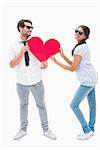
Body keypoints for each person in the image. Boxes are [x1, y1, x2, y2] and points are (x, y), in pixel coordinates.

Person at [9, 19, 57, 140]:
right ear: (20, 28)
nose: (30, 29)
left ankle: (46, 130)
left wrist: (45, 65)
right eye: (28, 27)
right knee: (23, 105)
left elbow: (43, 61)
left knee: (41, 105)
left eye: (31, 28)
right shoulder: (14, 45)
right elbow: (12, 65)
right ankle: (23, 129)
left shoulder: (36, 43)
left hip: (37, 81)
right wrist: (21, 53)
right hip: (21, 82)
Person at [51, 25, 98, 140]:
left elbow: (72, 68)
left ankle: (87, 130)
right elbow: (75, 64)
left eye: (80, 33)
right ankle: (91, 129)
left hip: (87, 80)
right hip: (92, 78)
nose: (77, 33)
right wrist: (63, 56)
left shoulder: (80, 48)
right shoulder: (82, 46)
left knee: (73, 105)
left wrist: (56, 62)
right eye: (76, 31)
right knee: (92, 105)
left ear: (85, 36)